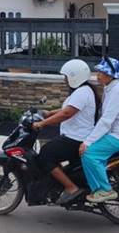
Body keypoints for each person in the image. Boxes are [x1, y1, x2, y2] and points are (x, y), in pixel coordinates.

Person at [32, 59, 100, 205]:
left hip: (75, 138)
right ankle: (62, 183)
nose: (64, 80)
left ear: (75, 76)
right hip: (75, 136)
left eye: (66, 76)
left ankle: (71, 188)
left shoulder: (82, 92)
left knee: (45, 156)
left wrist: (42, 123)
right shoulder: (83, 90)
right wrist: (49, 113)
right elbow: (67, 109)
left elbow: (67, 114)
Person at [80, 56, 119, 204]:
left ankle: (105, 189)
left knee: (89, 154)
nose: (98, 74)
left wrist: (88, 141)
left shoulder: (117, 91)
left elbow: (106, 120)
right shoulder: (110, 87)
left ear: (111, 75)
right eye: (98, 71)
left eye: (101, 72)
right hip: (115, 133)